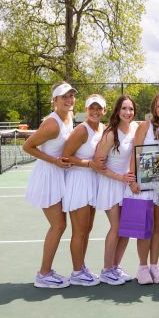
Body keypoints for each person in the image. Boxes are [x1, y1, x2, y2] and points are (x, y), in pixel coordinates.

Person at [23, 81, 76, 288]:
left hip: (60, 175)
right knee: (59, 225)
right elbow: (27, 147)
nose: (69, 100)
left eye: (71, 95)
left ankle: (46, 271)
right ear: (54, 100)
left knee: (60, 225)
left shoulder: (69, 117)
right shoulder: (52, 124)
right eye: (64, 97)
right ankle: (44, 274)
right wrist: (54, 161)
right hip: (47, 176)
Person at [128, 90, 159, 284]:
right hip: (144, 184)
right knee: (144, 227)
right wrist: (132, 179)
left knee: (157, 227)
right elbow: (135, 153)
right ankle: (142, 267)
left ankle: (154, 266)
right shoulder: (144, 126)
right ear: (154, 109)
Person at [61, 94, 107, 286]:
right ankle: (77, 272)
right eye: (92, 108)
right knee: (79, 231)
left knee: (87, 229)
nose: (96, 112)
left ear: (104, 110)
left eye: (99, 108)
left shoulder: (102, 128)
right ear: (86, 110)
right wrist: (89, 164)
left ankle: (81, 266)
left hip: (92, 181)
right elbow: (65, 156)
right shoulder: (81, 130)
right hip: (79, 181)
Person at [95, 95, 138, 285]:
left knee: (126, 229)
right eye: (124, 109)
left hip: (127, 186)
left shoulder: (136, 128)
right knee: (116, 227)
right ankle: (106, 270)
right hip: (111, 184)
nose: (128, 112)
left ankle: (115, 266)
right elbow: (97, 164)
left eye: (130, 109)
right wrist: (119, 177)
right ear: (117, 111)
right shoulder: (110, 133)